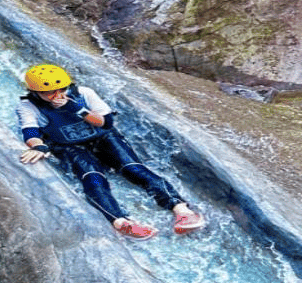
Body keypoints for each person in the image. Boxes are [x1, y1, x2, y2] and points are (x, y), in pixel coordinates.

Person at [16, 64, 206, 240]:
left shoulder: (84, 93)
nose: (57, 95)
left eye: (62, 90)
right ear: (35, 92)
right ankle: (120, 222)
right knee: (93, 179)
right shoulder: (28, 106)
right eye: (49, 93)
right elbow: (30, 130)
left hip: (103, 138)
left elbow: (106, 122)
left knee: (133, 169)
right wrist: (38, 146)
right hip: (69, 146)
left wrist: (73, 108)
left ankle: (181, 210)